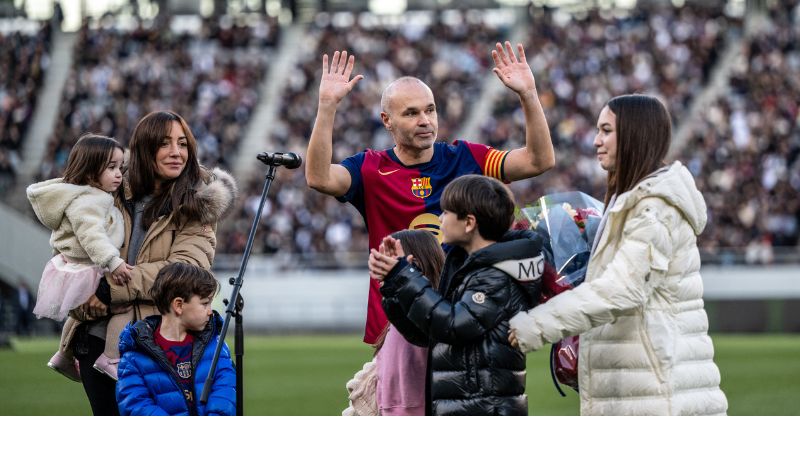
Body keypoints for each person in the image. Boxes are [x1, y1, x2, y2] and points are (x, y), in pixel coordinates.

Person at [306, 43, 554, 347]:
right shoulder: (370, 169)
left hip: (462, 315)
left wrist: (528, 95)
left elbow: (538, 161)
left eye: (430, 110)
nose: (425, 120)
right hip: (396, 325)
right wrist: (327, 105)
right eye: (411, 113)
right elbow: (318, 177)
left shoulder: (467, 158)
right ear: (387, 121)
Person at [508, 94, 729, 415]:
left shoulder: (655, 208)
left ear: (635, 135)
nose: (596, 140)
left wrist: (537, 324)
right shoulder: (634, 201)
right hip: (643, 387)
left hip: (657, 393)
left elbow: (622, 290)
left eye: (607, 130)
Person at [69, 111, 237, 415]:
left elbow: (186, 272)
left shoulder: (200, 203)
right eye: (165, 144)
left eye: (183, 144)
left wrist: (108, 291)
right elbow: (73, 255)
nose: (176, 152)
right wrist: (84, 299)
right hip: (95, 339)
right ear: (145, 149)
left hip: (155, 346)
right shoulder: (110, 190)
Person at [369, 175, 546, 415]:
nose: (440, 219)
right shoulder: (469, 268)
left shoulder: (493, 276)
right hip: (468, 404)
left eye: (446, 212)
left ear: (469, 223)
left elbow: (452, 325)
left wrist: (405, 277)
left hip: (484, 410)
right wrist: (394, 284)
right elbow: (428, 335)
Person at [26, 134, 133, 382]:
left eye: (120, 167)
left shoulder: (88, 196)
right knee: (122, 309)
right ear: (89, 171)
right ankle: (109, 357)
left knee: (78, 316)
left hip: (79, 266)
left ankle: (63, 354)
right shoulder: (87, 201)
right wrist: (113, 262)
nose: (119, 174)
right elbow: (91, 236)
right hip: (89, 267)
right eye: (111, 168)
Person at [116, 262, 235, 415]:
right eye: (205, 303)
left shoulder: (216, 346)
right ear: (178, 305)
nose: (210, 312)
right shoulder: (134, 355)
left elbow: (225, 391)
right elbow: (136, 405)